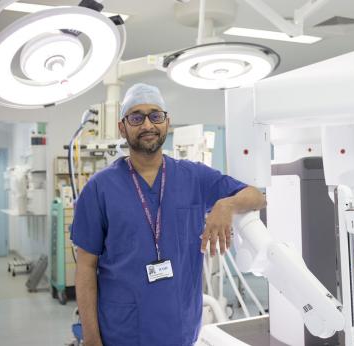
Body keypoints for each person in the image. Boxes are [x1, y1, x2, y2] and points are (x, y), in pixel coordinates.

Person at [72, 83, 266, 346]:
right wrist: (92, 339)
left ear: (167, 123)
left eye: (155, 115)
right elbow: (85, 267)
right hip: (122, 332)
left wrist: (226, 206)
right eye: (136, 117)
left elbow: (257, 196)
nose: (147, 125)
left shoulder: (194, 176)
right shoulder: (99, 188)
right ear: (122, 127)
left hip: (181, 330)